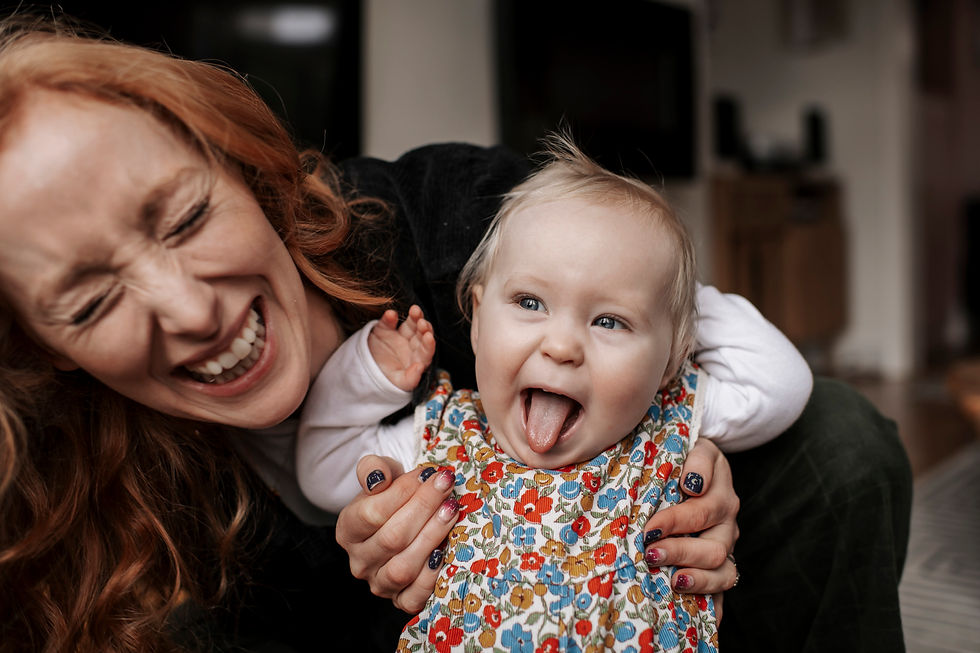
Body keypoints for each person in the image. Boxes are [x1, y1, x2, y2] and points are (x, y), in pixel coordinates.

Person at [0, 14, 912, 653]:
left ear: (242, 163)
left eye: (186, 216)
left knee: (838, 439)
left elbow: (647, 301)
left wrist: (676, 425)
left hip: (629, 592)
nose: (191, 311)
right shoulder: (77, 482)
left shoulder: (456, 215)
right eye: (88, 304)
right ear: (45, 352)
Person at [294, 135, 814, 651]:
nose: (562, 345)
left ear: (670, 361)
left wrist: (670, 301)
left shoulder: (666, 420)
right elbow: (322, 471)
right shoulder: (444, 436)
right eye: (530, 302)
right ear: (476, 321)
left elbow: (783, 384)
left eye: (609, 320)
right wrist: (368, 374)